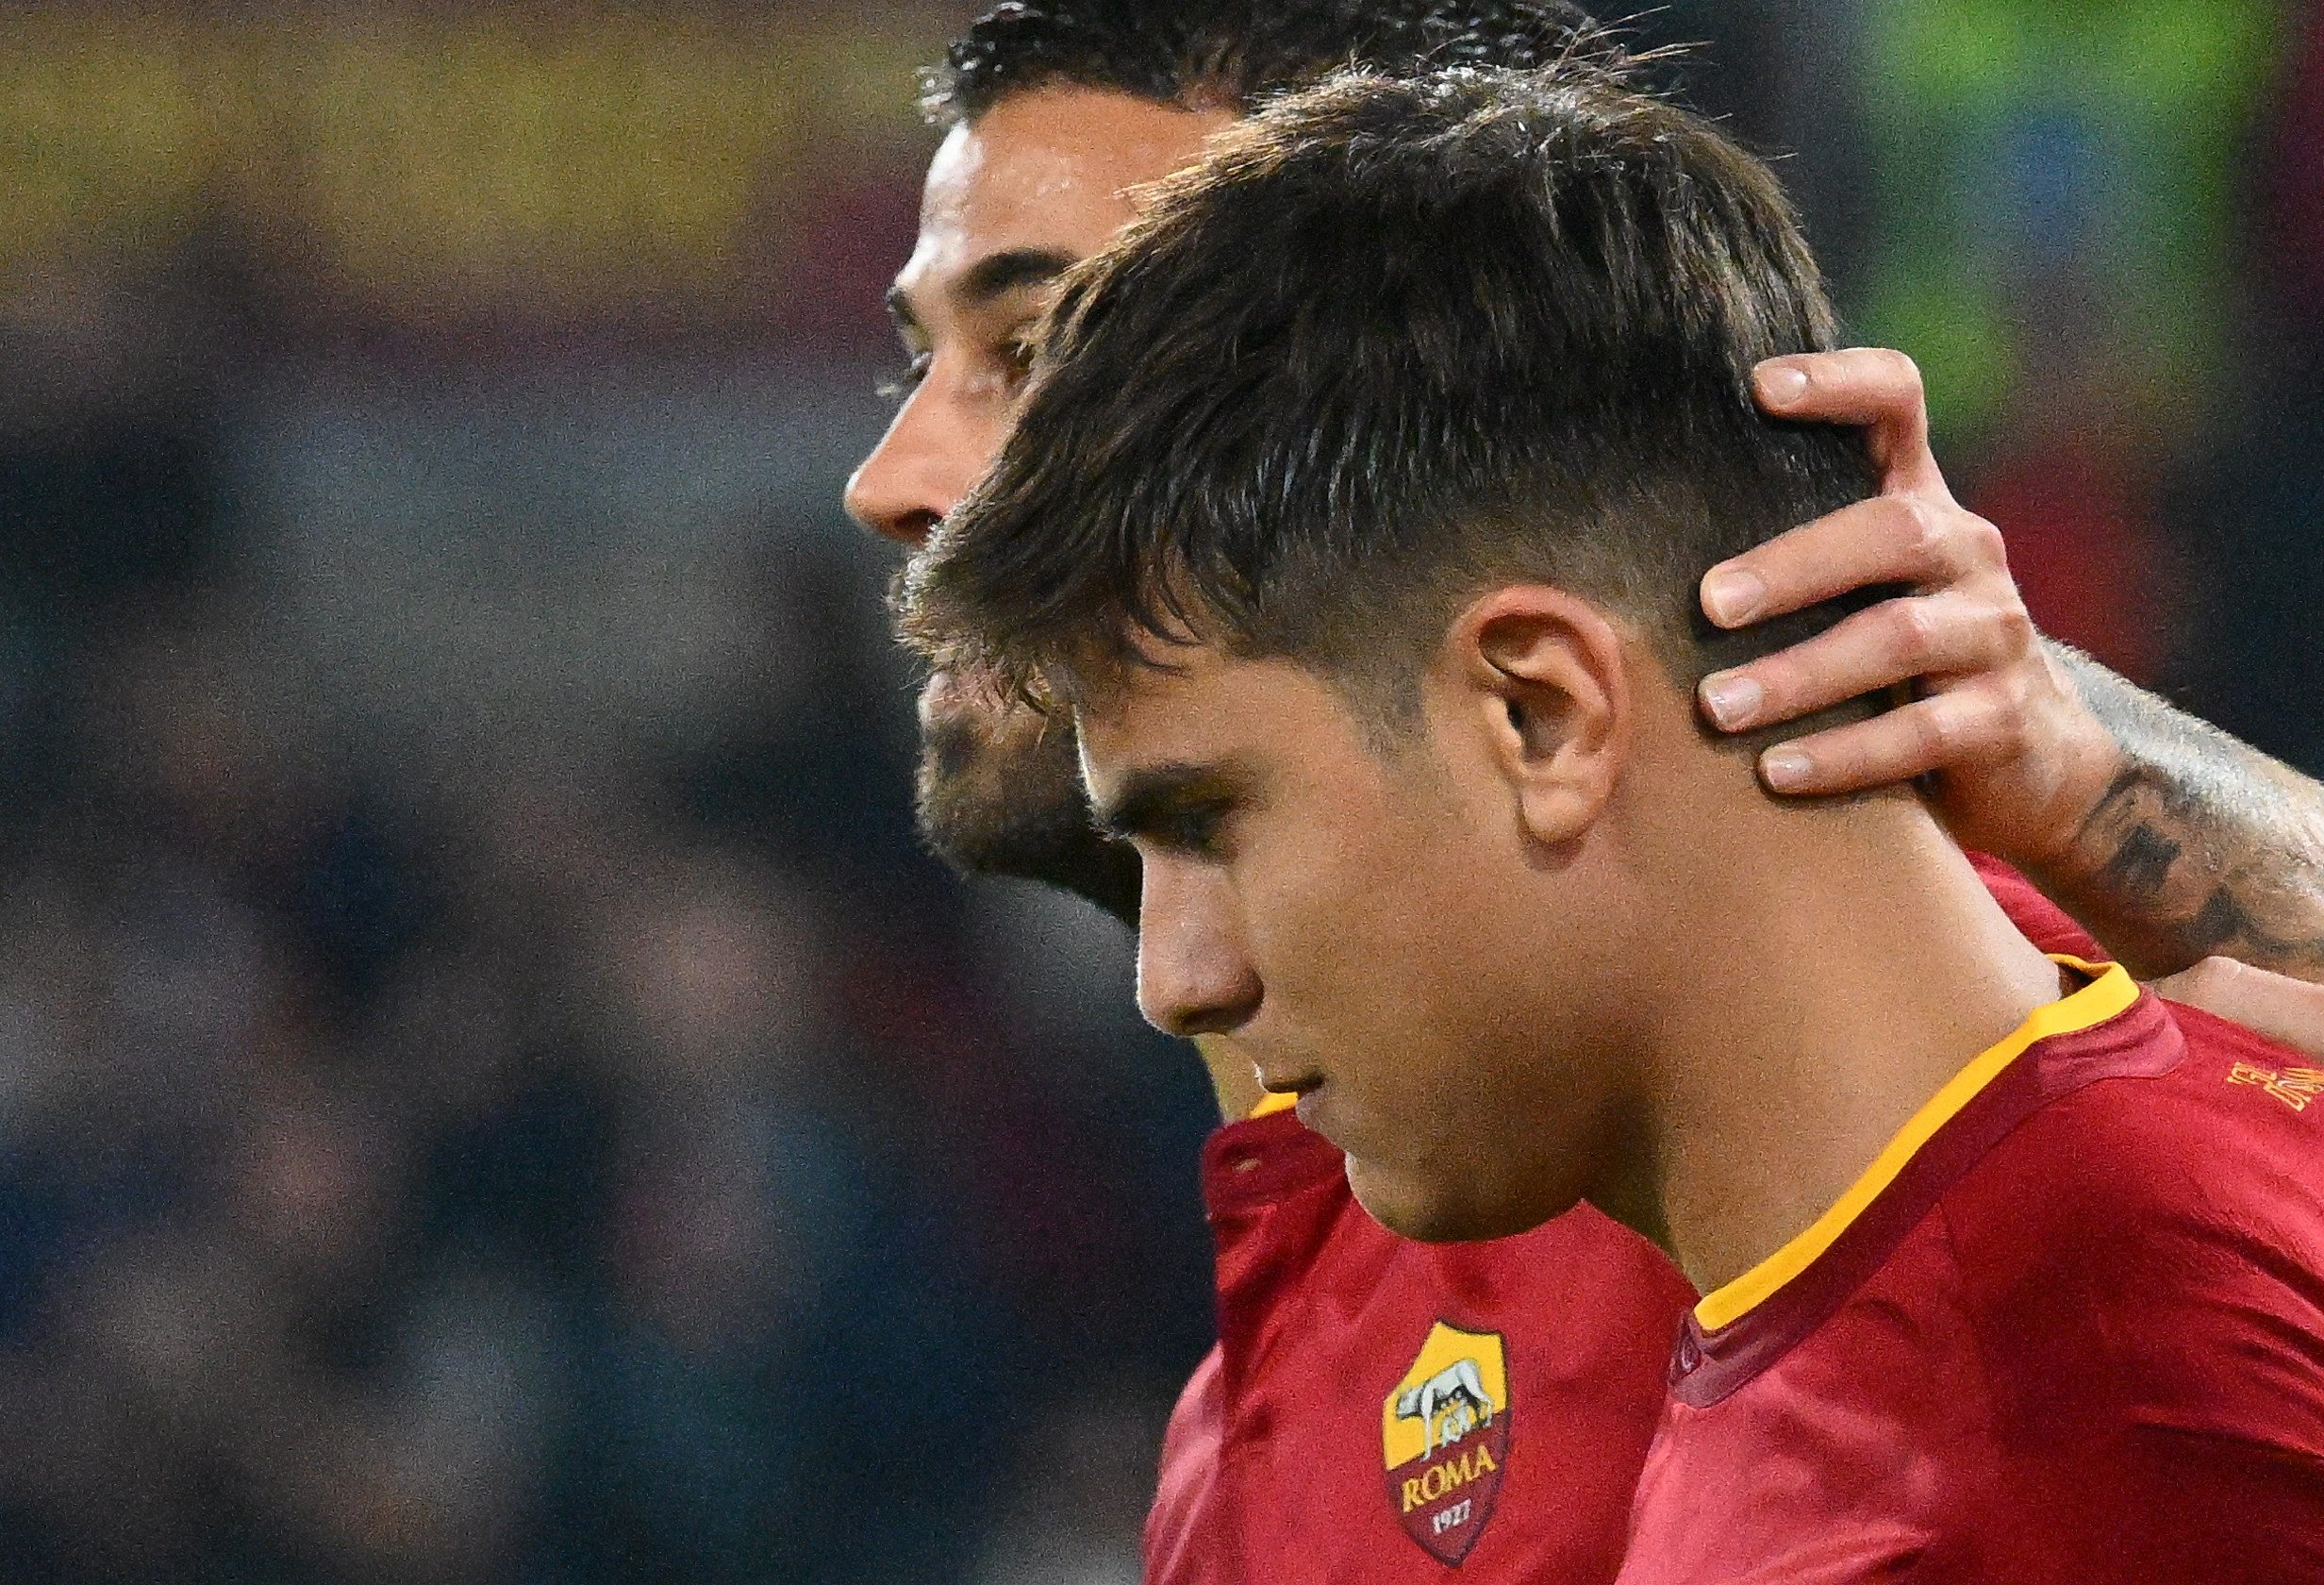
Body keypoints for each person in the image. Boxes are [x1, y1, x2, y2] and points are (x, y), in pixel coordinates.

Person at [851, 4, 2324, 1578]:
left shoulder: (1916, 1147)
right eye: (919, 355)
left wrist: (2095, 763)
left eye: (1043, 358)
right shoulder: (1310, 1342)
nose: (897, 477)